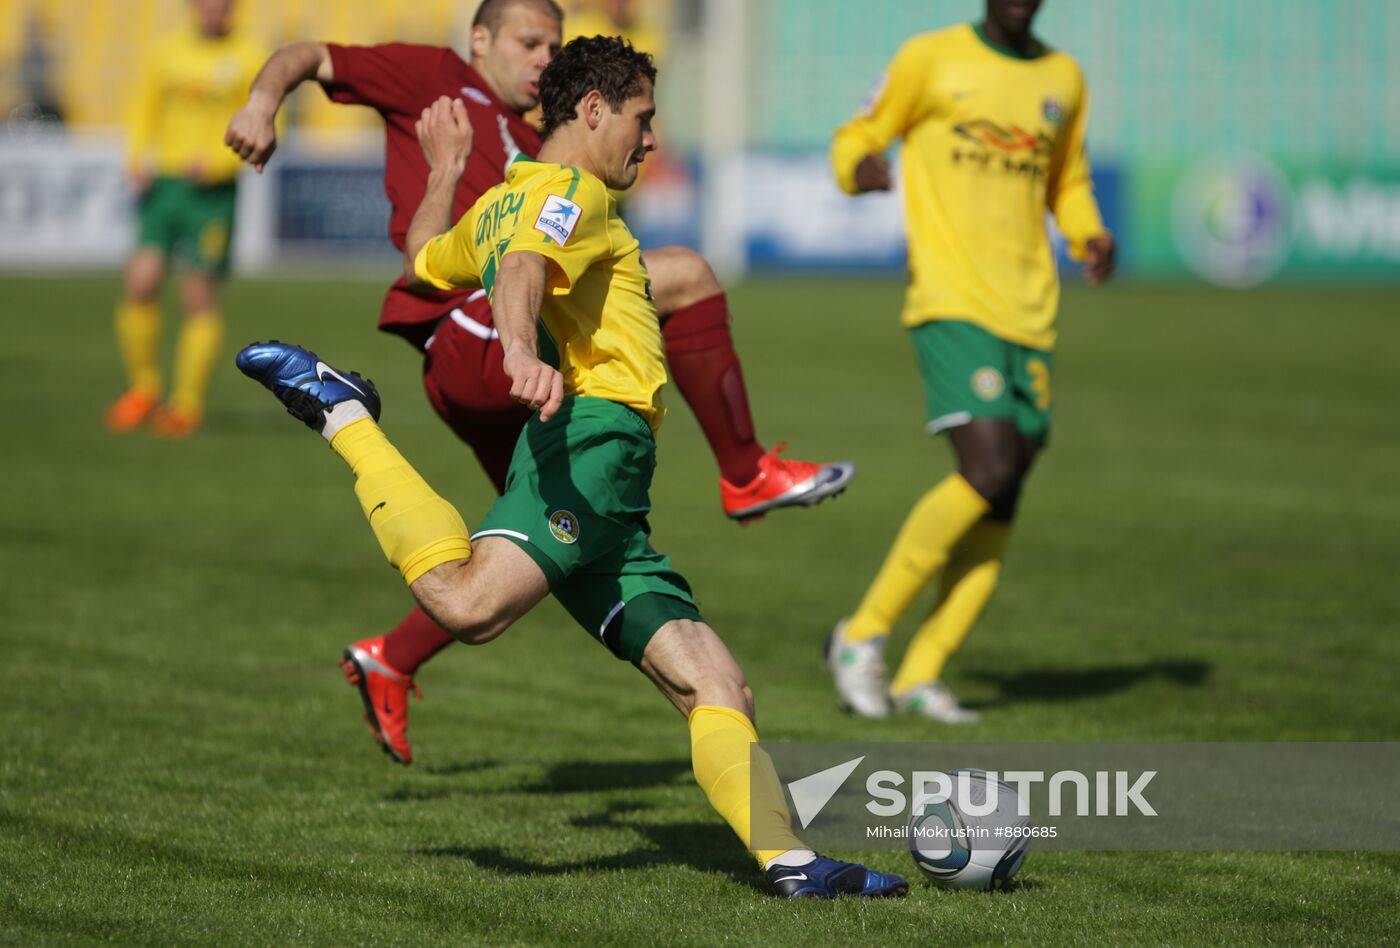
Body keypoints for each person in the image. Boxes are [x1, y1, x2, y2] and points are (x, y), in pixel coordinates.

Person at [236, 35, 907, 901]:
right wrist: (519, 347)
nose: (652, 138)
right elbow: (525, 267)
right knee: (467, 603)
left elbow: (425, 258)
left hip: (617, 489)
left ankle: (792, 863)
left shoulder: (506, 197)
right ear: (594, 111)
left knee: (715, 683)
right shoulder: (567, 194)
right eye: (643, 117)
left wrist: (444, 170)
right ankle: (346, 417)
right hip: (591, 447)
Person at [826, 0, 1116, 722]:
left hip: (1032, 312)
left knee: (1004, 493)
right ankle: (862, 637)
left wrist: (1089, 233)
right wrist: (857, 167)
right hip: (952, 298)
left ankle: (921, 673)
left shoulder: (1064, 78)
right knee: (986, 468)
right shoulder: (930, 57)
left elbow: (1067, 180)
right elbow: (860, 132)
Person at [105, 0, 265, 437]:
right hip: (166, 185)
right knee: (139, 283)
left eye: (224, 4)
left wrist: (218, 162)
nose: (215, 10)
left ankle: (186, 405)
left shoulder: (250, 56)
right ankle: (143, 387)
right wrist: (136, 157)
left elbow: (270, 124)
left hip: (213, 194)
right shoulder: (168, 51)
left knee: (197, 298)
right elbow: (144, 106)